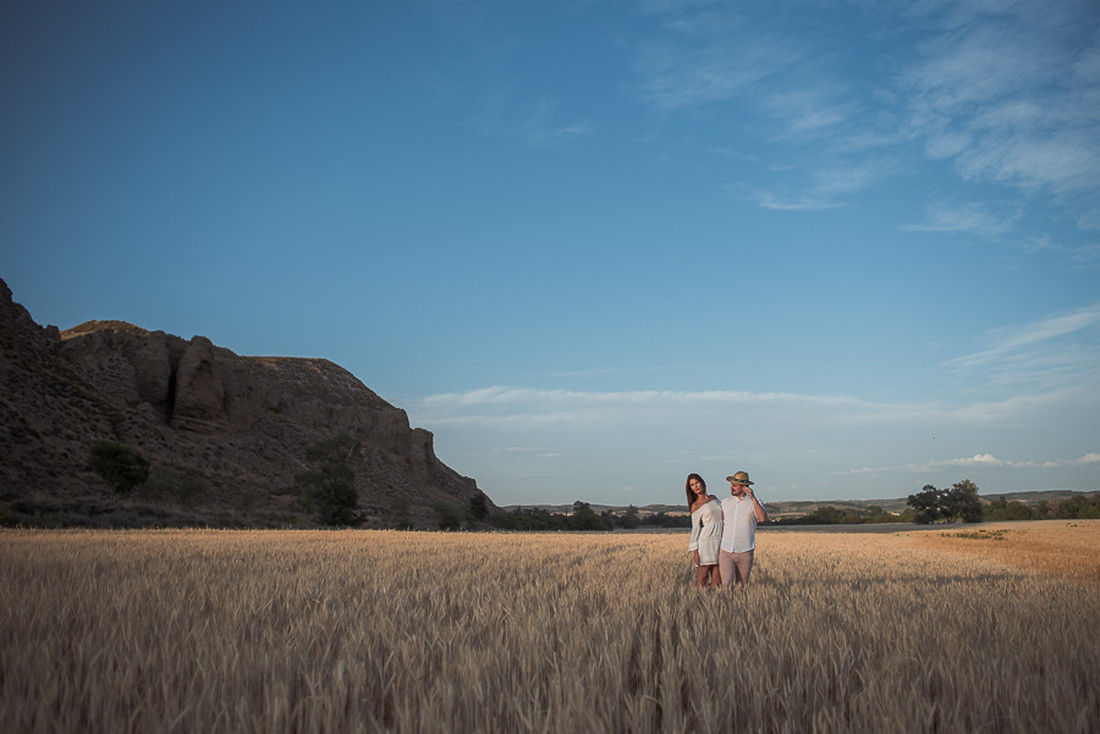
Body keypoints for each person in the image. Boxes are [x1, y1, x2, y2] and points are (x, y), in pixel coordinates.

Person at [719, 471, 767, 587]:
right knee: (726, 585)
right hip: (726, 550)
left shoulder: (755, 503)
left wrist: (753, 498)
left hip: (745, 550)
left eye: (735, 485)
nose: (731, 487)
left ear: (744, 487)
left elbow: (762, 518)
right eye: (731, 484)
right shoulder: (725, 502)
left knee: (742, 586)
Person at [685, 473, 723, 588]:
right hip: (706, 543)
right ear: (691, 489)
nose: (695, 486)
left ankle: (713, 600)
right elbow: (695, 529)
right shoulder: (695, 505)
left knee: (717, 582)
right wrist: (695, 552)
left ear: (702, 482)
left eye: (697, 482)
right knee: (702, 579)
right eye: (692, 485)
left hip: (719, 542)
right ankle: (697, 599)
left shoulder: (714, 498)